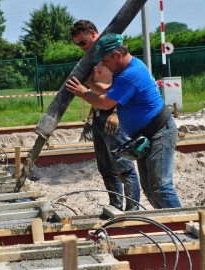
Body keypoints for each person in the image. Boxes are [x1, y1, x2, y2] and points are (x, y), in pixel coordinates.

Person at [66, 33, 181, 209]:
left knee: (161, 188)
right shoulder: (124, 71)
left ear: (117, 55)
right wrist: (90, 83)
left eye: (105, 60)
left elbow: (105, 103)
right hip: (147, 134)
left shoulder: (130, 74)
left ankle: (183, 223)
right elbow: (108, 92)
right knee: (150, 189)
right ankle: (169, 223)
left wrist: (82, 92)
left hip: (159, 132)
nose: (103, 65)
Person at [69, 20, 140, 211]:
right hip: (101, 112)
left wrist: (116, 113)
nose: (81, 48)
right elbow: (101, 91)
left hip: (113, 114)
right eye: (77, 45)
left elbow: (120, 89)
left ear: (93, 34)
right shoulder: (93, 59)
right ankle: (115, 205)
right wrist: (92, 116)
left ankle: (133, 209)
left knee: (122, 165)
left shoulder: (111, 55)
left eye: (83, 42)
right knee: (105, 167)